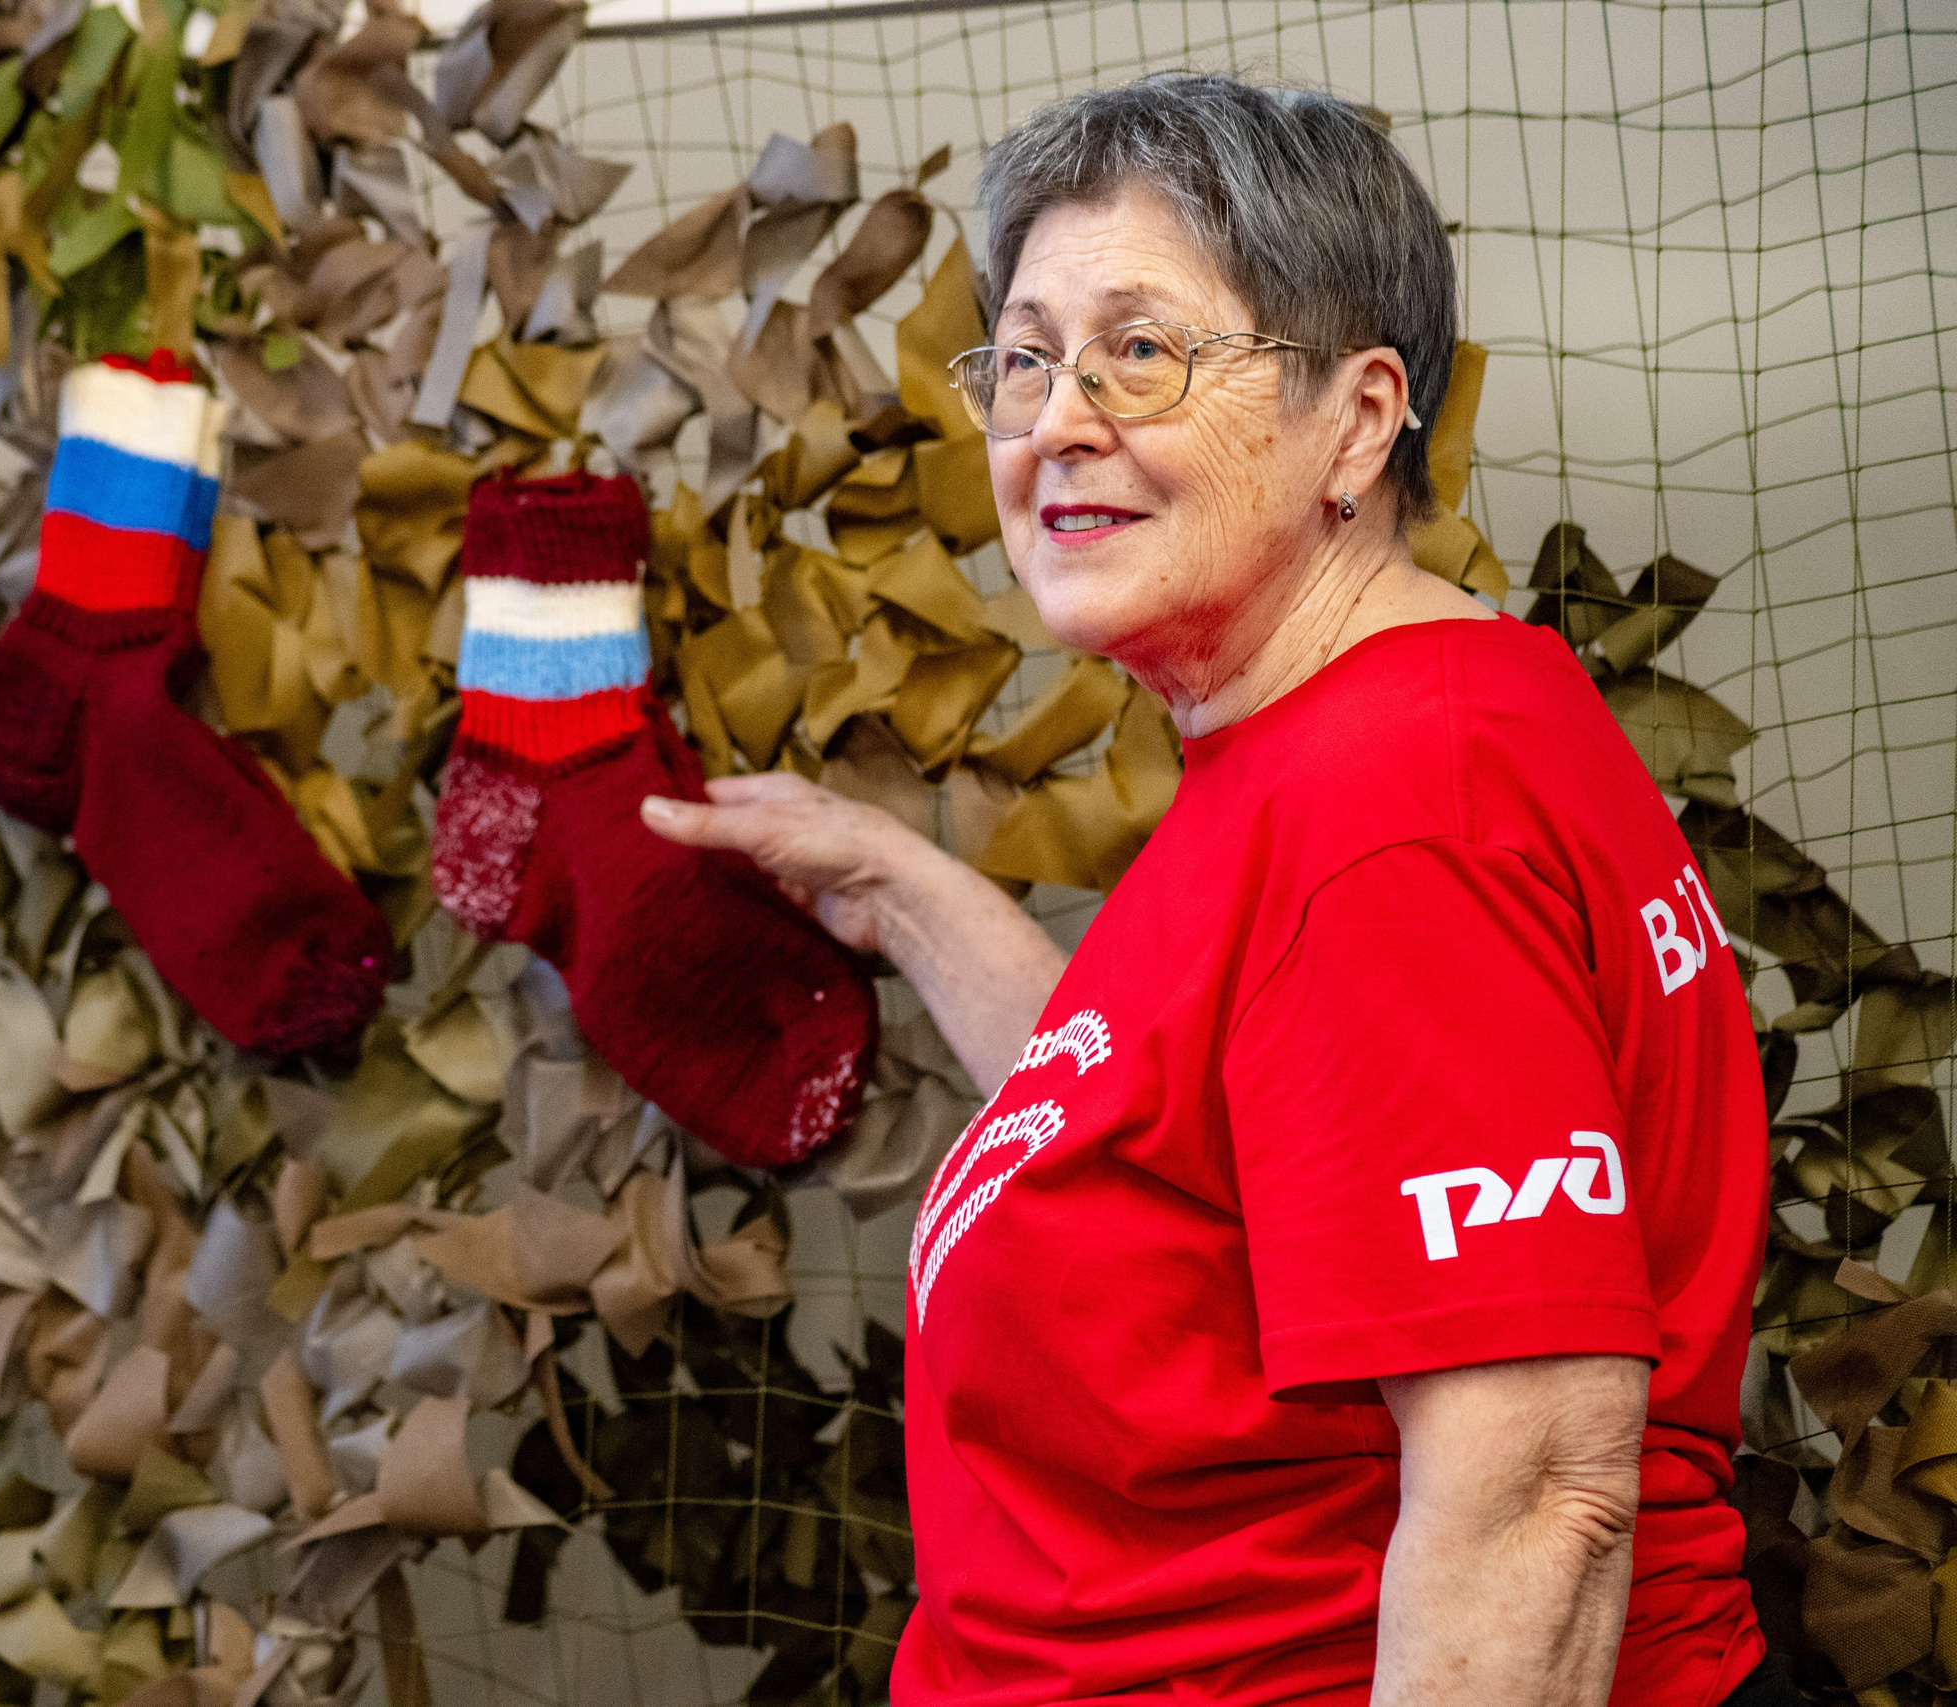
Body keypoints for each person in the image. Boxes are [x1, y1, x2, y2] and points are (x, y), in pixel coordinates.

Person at [644, 74, 1793, 1707]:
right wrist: (899, 891)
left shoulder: (1389, 825)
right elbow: (1196, 1138)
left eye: (1142, 351)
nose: (1057, 420)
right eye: (1025, 358)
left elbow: (1538, 1500)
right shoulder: (1404, 721)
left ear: (1360, 421)